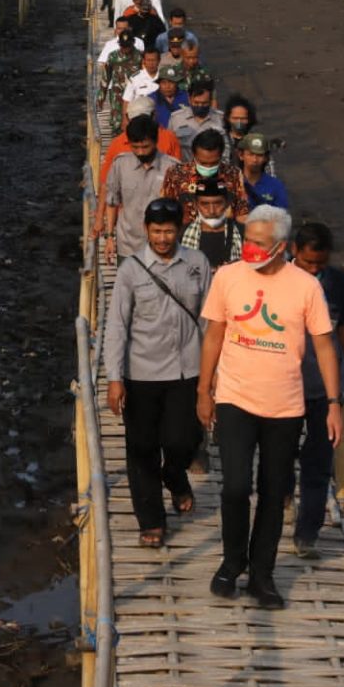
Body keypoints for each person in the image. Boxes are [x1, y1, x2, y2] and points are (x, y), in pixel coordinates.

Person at [197, 205, 343, 610]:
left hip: (285, 406)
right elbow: (213, 336)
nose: (250, 248)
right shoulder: (227, 277)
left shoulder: (306, 287)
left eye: (259, 243)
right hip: (234, 399)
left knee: (274, 490)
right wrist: (203, 390)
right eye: (247, 240)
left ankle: (263, 575)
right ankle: (231, 563)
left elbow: (325, 346)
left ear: (281, 246)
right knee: (236, 486)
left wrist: (333, 403)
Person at [104, 197, 213, 547]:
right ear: (146, 230)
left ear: (179, 230)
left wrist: (214, 375)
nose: (163, 238)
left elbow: (212, 320)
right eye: (156, 231)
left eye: (168, 231)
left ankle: (174, 475)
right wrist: (115, 378)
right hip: (141, 373)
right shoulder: (131, 270)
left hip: (188, 370)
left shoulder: (197, 263)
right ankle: (151, 521)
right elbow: (117, 326)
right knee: (141, 448)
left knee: (184, 440)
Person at [288, 222, 344, 559]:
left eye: (320, 265)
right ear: (294, 251)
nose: (313, 270)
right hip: (283, 386)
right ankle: (283, 493)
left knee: (319, 461)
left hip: (324, 389)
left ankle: (307, 534)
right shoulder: (278, 277)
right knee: (279, 456)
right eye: (308, 263)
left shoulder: (340, 284)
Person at [102, 116, 180, 262]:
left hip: (163, 248)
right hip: (128, 246)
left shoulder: (173, 168)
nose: (141, 152)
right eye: (135, 147)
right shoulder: (120, 165)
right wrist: (109, 238)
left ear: (156, 142)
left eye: (145, 147)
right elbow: (112, 203)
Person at [160, 128, 249, 227]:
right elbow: (165, 210)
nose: (208, 167)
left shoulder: (233, 174)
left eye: (213, 163)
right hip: (186, 237)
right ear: (194, 155)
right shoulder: (175, 174)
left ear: (221, 156)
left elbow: (242, 212)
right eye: (203, 163)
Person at [180, 177, 243, 267]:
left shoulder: (242, 232)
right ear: (196, 204)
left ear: (227, 203)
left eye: (217, 203)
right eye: (205, 204)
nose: (212, 210)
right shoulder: (181, 234)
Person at [166, 78, 225, 157]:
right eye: (196, 102)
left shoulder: (220, 119)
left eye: (204, 103)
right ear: (189, 99)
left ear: (210, 101)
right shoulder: (176, 119)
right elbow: (169, 146)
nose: (200, 106)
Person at [239, 132, 289, 208]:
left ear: (266, 158)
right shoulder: (231, 183)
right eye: (250, 154)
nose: (255, 160)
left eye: (259, 155)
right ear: (241, 155)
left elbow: (281, 215)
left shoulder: (276, 186)